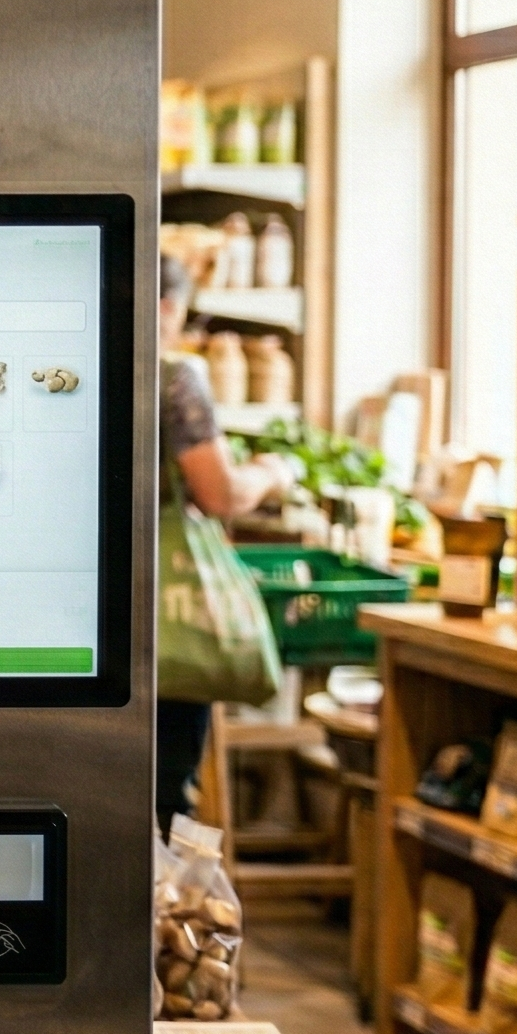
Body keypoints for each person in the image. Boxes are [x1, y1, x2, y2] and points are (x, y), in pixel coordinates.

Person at [157, 251, 294, 834]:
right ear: (166, 307)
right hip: (164, 612)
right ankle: (157, 916)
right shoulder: (174, 379)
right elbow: (218, 493)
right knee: (162, 795)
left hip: (73, 603)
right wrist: (273, 473)